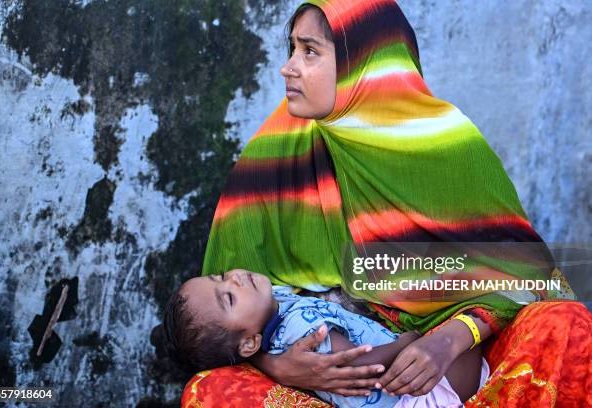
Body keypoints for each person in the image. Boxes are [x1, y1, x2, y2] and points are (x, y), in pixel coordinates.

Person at [180, 1, 592, 407]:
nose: (288, 67)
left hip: (457, 370)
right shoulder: (277, 152)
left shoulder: (445, 146)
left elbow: (528, 276)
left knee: (566, 326)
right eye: (291, 49)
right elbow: (227, 323)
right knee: (210, 391)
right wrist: (279, 366)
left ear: (363, 63)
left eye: (309, 51)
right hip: (335, 389)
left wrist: (447, 340)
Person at [165, 269, 489, 407]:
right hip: (415, 396)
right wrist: (408, 341)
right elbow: (361, 364)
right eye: (229, 298)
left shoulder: (273, 303)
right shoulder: (298, 332)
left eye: (221, 277)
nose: (234, 279)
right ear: (249, 343)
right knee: (469, 314)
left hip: (412, 383)